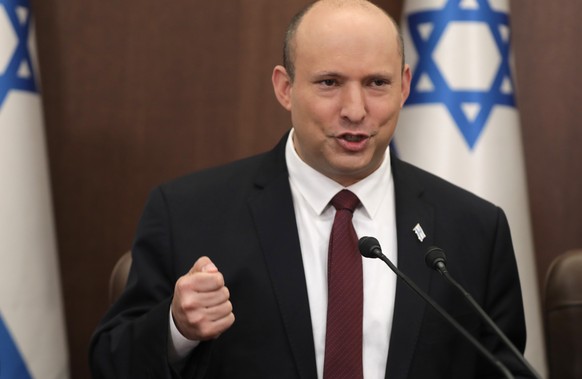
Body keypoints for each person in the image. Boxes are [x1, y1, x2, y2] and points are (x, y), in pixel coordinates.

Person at [90, 0, 533, 378]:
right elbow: (112, 364)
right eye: (329, 83)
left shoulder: (474, 229)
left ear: (404, 87)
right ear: (285, 88)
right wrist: (177, 330)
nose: (355, 110)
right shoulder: (187, 213)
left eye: (377, 83)